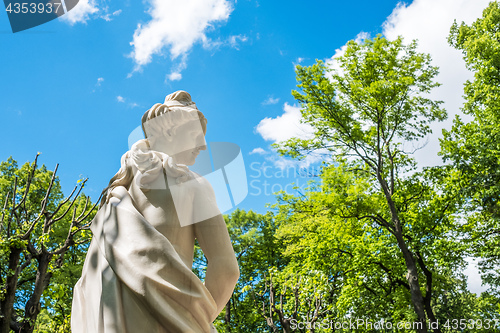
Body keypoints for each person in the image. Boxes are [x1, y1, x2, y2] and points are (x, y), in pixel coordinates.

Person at [71, 91, 240, 333]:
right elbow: (226, 269)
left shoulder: (116, 194)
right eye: (195, 134)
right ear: (170, 131)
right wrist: (192, 318)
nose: (203, 146)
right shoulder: (192, 185)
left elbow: (85, 288)